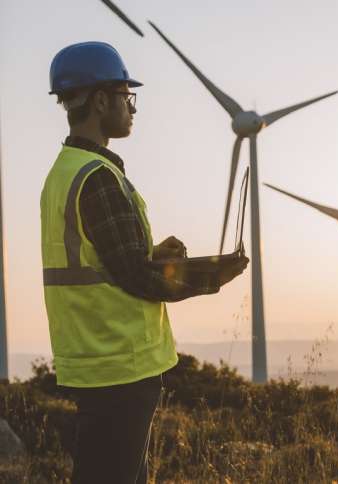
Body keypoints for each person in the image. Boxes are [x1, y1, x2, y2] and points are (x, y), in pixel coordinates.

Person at [41, 41, 248, 484]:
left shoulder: (65, 172)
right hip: (120, 362)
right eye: (125, 97)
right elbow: (135, 277)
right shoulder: (98, 178)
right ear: (100, 100)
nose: (131, 109)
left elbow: (102, 262)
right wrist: (210, 277)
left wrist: (152, 254)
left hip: (93, 360)